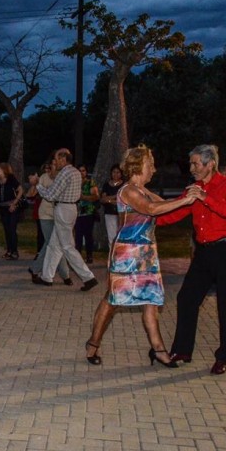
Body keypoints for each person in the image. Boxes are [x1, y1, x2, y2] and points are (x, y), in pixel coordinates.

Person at [84, 146, 199, 366]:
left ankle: (158, 350)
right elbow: (151, 209)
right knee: (113, 300)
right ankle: (93, 344)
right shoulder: (127, 191)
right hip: (127, 254)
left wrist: (191, 196)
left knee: (151, 300)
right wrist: (186, 200)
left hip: (147, 253)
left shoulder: (143, 190)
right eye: (150, 165)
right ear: (138, 166)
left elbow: (164, 206)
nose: (153, 170)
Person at [157, 144, 226, 375]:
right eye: (191, 163)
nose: (191, 168)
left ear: (210, 164)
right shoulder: (193, 189)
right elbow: (175, 213)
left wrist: (206, 198)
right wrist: (146, 218)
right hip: (204, 253)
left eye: (195, 163)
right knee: (187, 298)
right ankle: (182, 350)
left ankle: (223, 356)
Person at [30, 148, 98, 291]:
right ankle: (46, 277)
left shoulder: (64, 173)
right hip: (71, 209)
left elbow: (50, 195)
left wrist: (37, 184)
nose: (55, 162)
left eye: (56, 159)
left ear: (63, 159)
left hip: (63, 209)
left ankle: (88, 277)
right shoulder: (76, 172)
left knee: (67, 247)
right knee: (54, 245)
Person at [27, 156, 72, 285]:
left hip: (59, 215)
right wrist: (34, 184)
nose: (54, 166)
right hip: (46, 214)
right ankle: (65, 275)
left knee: (55, 244)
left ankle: (34, 269)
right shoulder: (44, 177)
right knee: (51, 243)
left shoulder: (62, 178)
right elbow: (31, 194)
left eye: (56, 164)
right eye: (52, 164)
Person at [0, 162, 24, 260]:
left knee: (12, 229)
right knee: (6, 230)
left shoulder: (11, 179)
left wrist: (14, 203)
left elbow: (20, 190)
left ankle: (14, 252)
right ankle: (9, 250)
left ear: (4, 170)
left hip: (12, 208)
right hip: (2, 208)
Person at [74, 164, 100, 264]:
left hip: (88, 212)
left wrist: (83, 197)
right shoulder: (74, 183)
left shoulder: (90, 183)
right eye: (79, 170)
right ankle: (78, 255)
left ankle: (89, 255)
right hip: (76, 212)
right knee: (78, 235)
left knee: (88, 235)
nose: (81, 173)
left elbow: (96, 196)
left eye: (83, 170)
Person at [100, 164, 124, 252]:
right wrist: (114, 197)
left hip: (121, 213)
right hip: (109, 213)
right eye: (114, 172)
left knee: (121, 235)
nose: (115, 174)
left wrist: (109, 199)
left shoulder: (124, 185)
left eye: (118, 172)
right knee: (111, 236)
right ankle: (112, 254)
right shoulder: (106, 185)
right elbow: (103, 199)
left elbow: (122, 199)